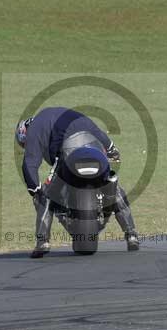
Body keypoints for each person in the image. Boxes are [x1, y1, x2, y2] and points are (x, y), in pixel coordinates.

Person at [16, 107, 139, 258]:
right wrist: (111, 148)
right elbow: (95, 129)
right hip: (95, 147)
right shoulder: (62, 115)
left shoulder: (34, 129)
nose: (26, 146)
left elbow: (30, 163)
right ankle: (131, 234)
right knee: (111, 183)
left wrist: (34, 189)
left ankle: (42, 241)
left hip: (68, 152)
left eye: (24, 144)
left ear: (24, 132)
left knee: (45, 195)